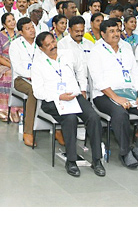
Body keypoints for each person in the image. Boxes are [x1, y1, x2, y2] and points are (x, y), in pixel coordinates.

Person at [88, 20, 138, 169]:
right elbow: (98, 81)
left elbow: (136, 74)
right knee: (120, 113)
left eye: (117, 30)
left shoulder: (126, 47)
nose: (116, 34)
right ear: (103, 34)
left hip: (129, 94)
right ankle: (125, 152)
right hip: (105, 95)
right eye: (111, 31)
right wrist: (116, 98)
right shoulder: (96, 51)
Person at [32, 32, 105, 177]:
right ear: (41, 48)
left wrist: (82, 88)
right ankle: (71, 161)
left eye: (53, 42)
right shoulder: (37, 64)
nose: (53, 46)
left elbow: (80, 70)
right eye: (48, 45)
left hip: (73, 96)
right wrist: (58, 96)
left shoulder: (68, 54)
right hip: (53, 100)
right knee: (70, 118)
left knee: (94, 118)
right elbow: (38, 92)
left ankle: (97, 160)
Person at [10, 17, 39, 147]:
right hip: (21, 79)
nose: (32, 31)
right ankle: (28, 131)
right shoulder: (15, 45)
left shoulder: (40, 43)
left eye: (32, 27)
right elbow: (17, 68)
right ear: (21, 32)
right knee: (34, 91)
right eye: (27, 29)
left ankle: (56, 129)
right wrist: (32, 75)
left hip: (41, 78)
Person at [0, 13, 22, 122]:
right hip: (2, 62)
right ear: (4, 24)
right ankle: (4, 110)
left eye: (13, 19)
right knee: (8, 75)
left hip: (18, 62)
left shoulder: (20, 35)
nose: (12, 22)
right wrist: (11, 66)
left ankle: (20, 110)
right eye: (9, 21)